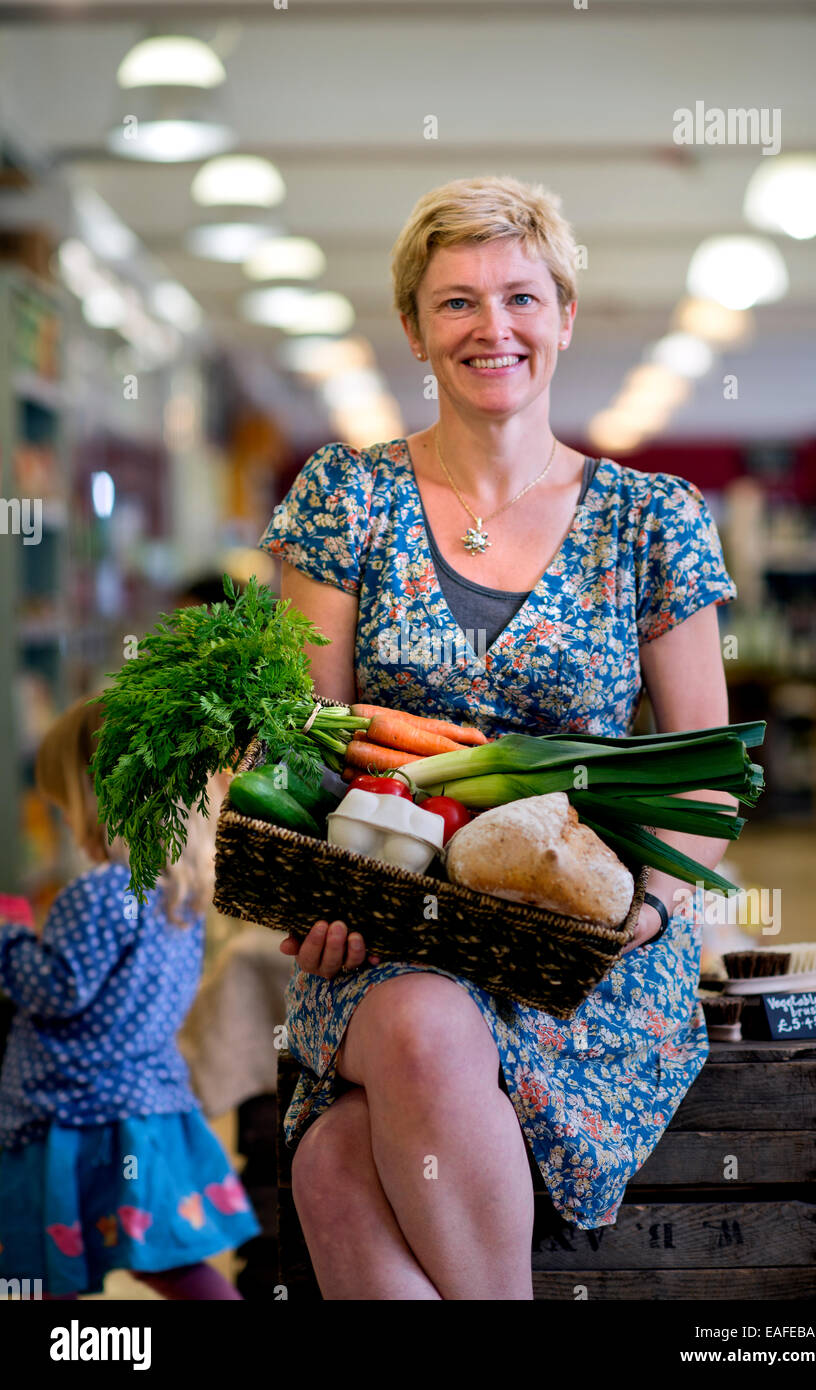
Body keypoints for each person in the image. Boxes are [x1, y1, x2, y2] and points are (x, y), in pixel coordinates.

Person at [257, 174, 738, 1301]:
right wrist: (316, 894)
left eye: (520, 296)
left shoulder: (651, 518)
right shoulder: (347, 496)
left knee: (334, 1161)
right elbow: (303, 745)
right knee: (420, 1024)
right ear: (416, 332)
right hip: (392, 925)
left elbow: (706, 780)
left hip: (579, 954)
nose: (492, 327)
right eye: (457, 302)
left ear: (564, 316)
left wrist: (652, 910)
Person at [0, 695, 260, 1299]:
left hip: (71, 1114)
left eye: (65, 804)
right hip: (146, 1109)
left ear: (99, 799)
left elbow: (58, 989)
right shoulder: (180, 894)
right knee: (167, 1262)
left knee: (39, 1264)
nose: (66, 820)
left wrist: (10, 941)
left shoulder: (98, 894)